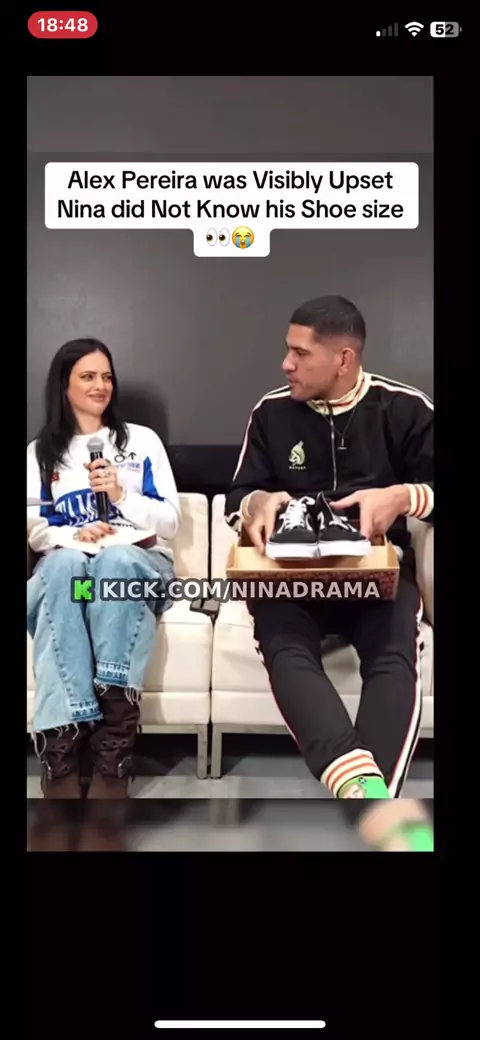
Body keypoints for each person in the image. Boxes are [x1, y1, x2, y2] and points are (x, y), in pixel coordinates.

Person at [224, 296, 434, 851]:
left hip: (377, 576)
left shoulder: (404, 408)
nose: (286, 364)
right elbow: (237, 496)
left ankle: (367, 810)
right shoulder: (271, 413)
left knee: (394, 651)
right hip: (291, 579)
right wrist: (255, 504)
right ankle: (373, 807)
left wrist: (403, 496)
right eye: (288, 350)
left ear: (344, 359)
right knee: (282, 641)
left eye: (300, 353)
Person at [27, 338, 180, 799]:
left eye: (107, 376)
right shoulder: (40, 453)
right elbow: (35, 529)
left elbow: (170, 523)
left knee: (115, 560)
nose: (101, 386)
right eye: (88, 376)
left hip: (138, 567)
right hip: (76, 575)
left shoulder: (141, 441)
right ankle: (61, 754)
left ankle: (113, 753)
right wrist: (75, 535)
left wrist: (120, 496)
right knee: (63, 568)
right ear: (65, 385)